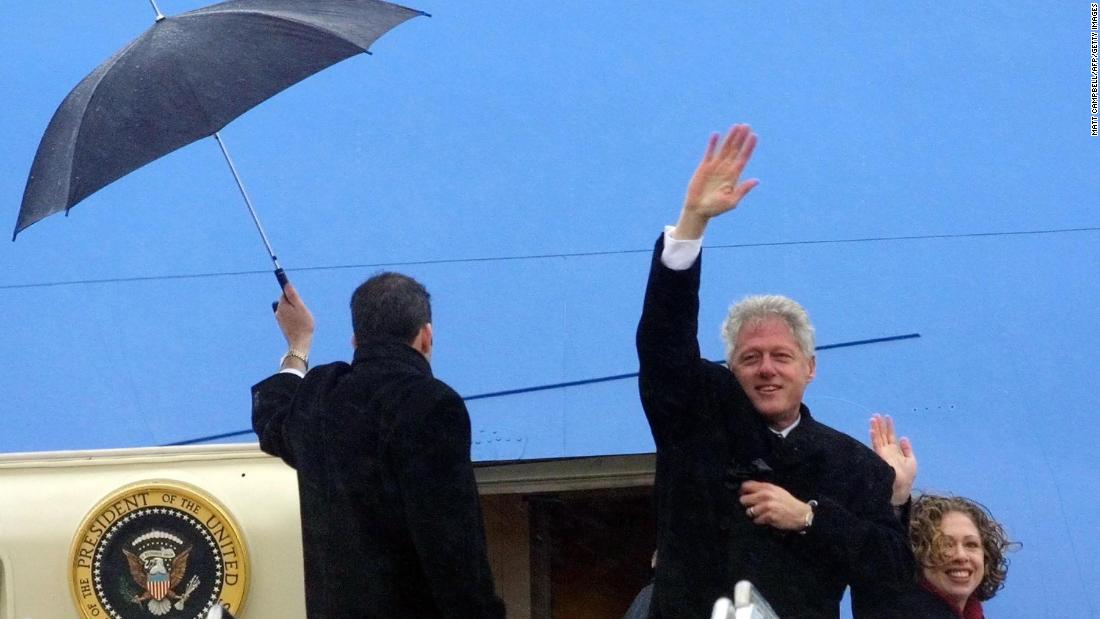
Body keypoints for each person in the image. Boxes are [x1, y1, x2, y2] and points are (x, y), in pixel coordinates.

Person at [636, 124, 913, 619]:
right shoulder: (696, 418)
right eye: (750, 357)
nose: (767, 369)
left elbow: (891, 570)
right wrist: (691, 224)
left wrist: (809, 517)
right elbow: (664, 343)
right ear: (729, 368)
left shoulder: (853, 465)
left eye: (781, 357)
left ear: (810, 367)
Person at [251, 274, 505, 618]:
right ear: (426, 337)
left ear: (356, 340)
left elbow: (272, 418)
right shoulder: (431, 404)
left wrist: (298, 344)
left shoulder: (324, 402)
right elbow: (453, 547)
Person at [868, 416, 1014, 619]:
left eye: (971, 544)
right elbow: (882, 563)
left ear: (986, 558)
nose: (961, 555)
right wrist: (896, 497)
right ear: (917, 554)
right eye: (945, 544)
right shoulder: (898, 608)